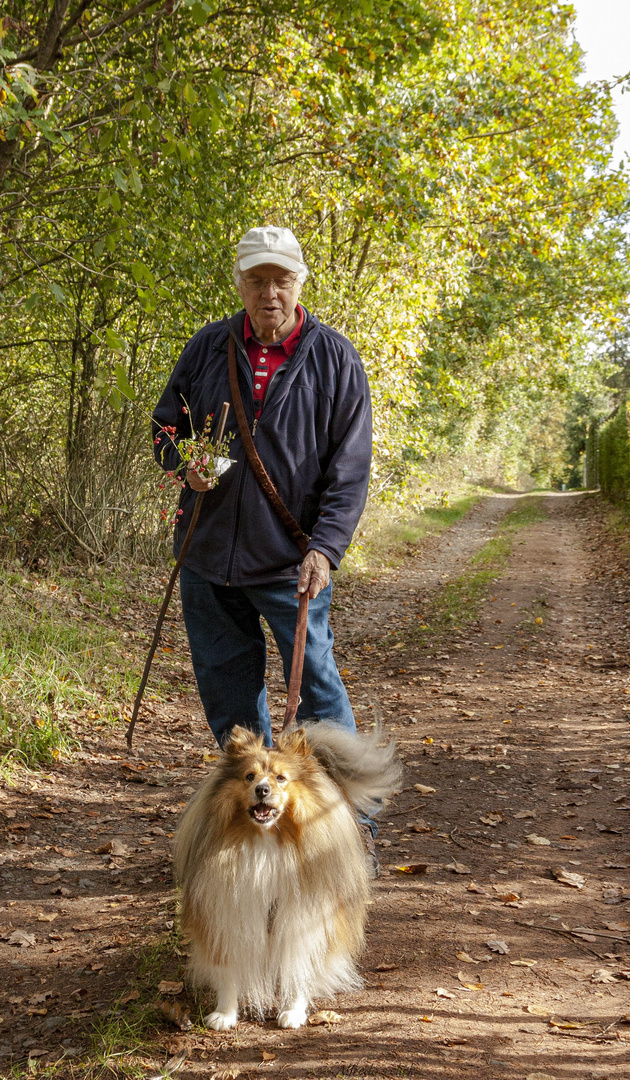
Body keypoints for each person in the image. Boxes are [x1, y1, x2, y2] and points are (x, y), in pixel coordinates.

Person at [152, 226, 379, 868]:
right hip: (207, 555)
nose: (269, 292)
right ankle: (251, 834)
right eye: (256, 279)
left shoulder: (335, 358)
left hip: (290, 561)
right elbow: (167, 424)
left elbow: (350, 468)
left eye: (281, 279)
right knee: (229, 698)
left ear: (299, 283)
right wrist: (183, 461)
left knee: (317, 696)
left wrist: (326, 548)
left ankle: (350, 832)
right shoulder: (208, 347)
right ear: (241, 284)